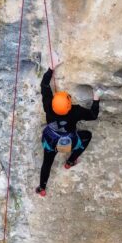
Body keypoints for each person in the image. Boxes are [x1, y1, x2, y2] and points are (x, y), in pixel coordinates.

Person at [36, 60, 101, 196]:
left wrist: (50, 69)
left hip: (51, 142)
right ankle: (70, 161)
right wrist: (96, 99)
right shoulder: (75, 111)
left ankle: (42, 188)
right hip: (69, 142)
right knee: (87, 136)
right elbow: (93, 115)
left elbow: (44, 85)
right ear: (69, 105)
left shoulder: (48, 106)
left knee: (47, 163)